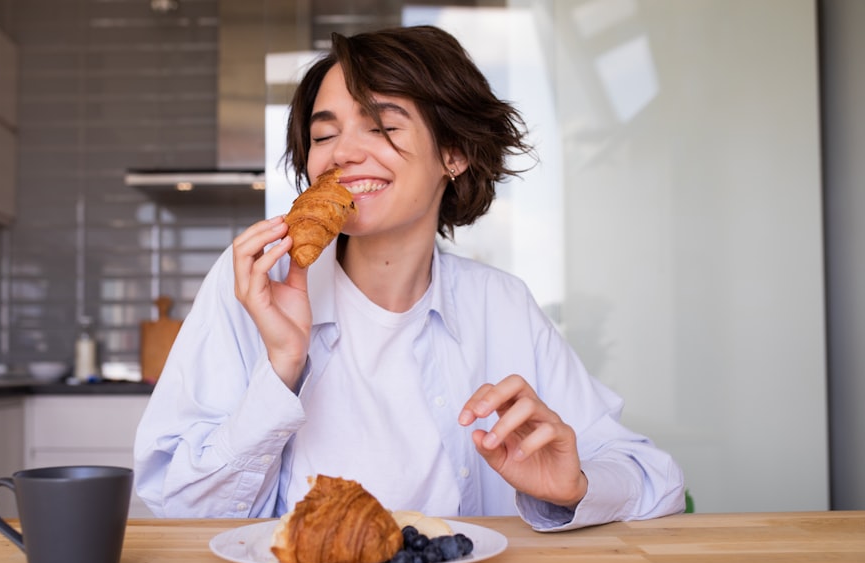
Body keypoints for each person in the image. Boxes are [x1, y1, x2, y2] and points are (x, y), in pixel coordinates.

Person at [134, 25, 685, 531]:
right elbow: (181, 511)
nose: (342, 154)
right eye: (323, 137)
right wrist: (280, 369)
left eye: (381, 126)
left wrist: (574, 488)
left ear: (454, 153)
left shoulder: (501, 306)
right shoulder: (252, 289)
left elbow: (655, 479)